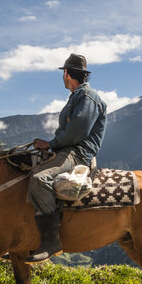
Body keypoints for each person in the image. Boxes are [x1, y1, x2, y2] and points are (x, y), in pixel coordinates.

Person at [25, 53, 107, 264]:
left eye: (63, 73)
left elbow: (76, 132)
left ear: (67, 73)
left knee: (38, 179)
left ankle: (52, 242)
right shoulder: (78, 95)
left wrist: (50, 144)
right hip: (67, 150)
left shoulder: (88, 96)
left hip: (77, 153)